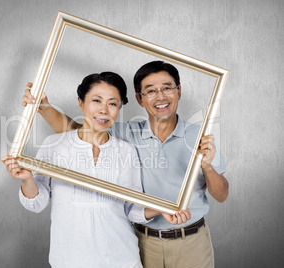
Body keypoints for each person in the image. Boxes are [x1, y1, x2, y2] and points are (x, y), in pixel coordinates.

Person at [22, 61, 229, 268]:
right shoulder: (126, 134)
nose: (161, 96)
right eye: (151, 91)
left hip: (191, 240)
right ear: (140, 98)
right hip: (145, 241)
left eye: (167, 88)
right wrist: (44, 108)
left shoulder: (200, 137)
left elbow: (221, 195)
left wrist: (207, 166)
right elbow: (81, 130)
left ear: (179, 91)